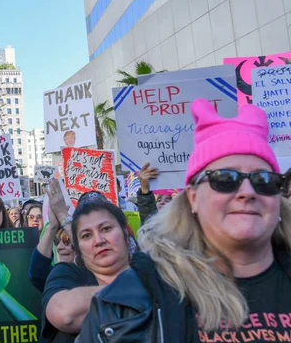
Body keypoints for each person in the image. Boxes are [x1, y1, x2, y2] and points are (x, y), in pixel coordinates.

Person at [78, 98, 291, 342]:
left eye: (264, 180)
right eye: (225, 178)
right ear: (192, 197)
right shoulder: (128, 302)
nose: (247, 192)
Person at [42, 197, 131, 343]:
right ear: (79, 249)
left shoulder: (152, 271)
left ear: (126, 235)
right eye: (86, 235)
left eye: (106, 229)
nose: (99, 240)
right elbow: (64, 314)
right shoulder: (66, 273)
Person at [29, 198, 75, 292]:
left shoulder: (94, 275)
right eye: (56, 241)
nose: (59, 247)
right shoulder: (58, 275)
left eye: (67, 240)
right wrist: (52, 226)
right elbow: (37, 274)